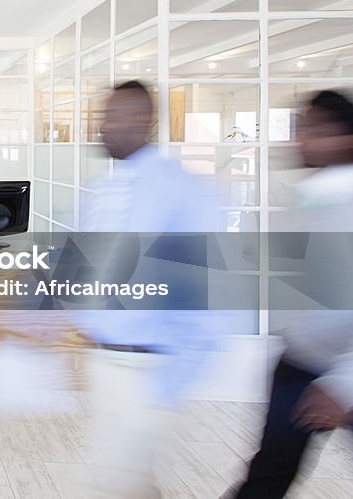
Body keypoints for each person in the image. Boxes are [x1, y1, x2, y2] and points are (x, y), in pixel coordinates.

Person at [79, 80, 224, 498]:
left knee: (116, 484)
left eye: (111, 116)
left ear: (143, 121)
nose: (101, 127)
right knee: (129, 482)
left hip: (148, 369)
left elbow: (214, 291)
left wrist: (167, 387)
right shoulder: (106, 188)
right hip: (105, 360)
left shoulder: (184, 190)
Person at [228, 90, 353, 498]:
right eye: (301, 129)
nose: (301, 140)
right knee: (268, 474)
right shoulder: (314, 197)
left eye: (315, 130)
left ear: (349, 138)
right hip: (301, 359)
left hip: (347, 368)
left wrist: (345, 386)